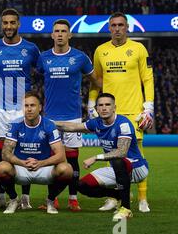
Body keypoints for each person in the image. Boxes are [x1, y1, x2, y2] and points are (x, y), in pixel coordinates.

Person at [88, 12, 154, 213]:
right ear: (109, 28)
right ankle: (113, 198)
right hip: (108, 114)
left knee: (137, 155)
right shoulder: (101, 51)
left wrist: (148, 106)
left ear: (127, 27)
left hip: (133, 111)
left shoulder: (138, 49)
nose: (117, 29)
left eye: (121, 25)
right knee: (111, 154)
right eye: (114, 25)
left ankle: (142, 198)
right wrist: (91, 103)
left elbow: (147, 79)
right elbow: (96, 81)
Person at [36, 19, 101, 211]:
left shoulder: (80, 58)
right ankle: (53, 199)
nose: (60, 34)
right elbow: (40, 76)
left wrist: (93, 102)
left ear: (69, 35)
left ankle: (73, 198)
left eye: (64, 31)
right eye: (57, 31)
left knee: (72, 159)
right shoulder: (44, 58)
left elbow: (95, 81)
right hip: (49, 118)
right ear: (52, 35)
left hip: (72, 117)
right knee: (53, 158)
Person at [55, 93, 149, 221]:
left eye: (107, 105)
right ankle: (118, 195)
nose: (104, 108)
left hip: (137, 167)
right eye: (101, 105)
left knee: (117, 160)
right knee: (81, 185)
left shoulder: (123, 124)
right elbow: (73, 127)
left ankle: (126, 209)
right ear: (97, 109)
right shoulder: (97, 123)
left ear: (114, 107)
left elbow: (121, 152)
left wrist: (95, 157)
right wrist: (48, 123)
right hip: (117, 168)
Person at [0, 8, 40, 210]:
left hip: (22, 107)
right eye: (5, 23)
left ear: (18, 24)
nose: (8, 26)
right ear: (2, 24)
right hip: (0, 107)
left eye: (12, 23)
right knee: (1, 153)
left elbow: (39, 69)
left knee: (24, 148)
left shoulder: (30, 48)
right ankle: (3, 196)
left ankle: (25, 197)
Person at [0, 91, 73, 214]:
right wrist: (22, 162)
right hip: (21, 167)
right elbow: (5, 153)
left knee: (67, 170)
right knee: (1, 168)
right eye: (26, 106)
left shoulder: (49, 125)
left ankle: (50, 200)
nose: (29, 109)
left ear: (40, 107)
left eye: (32, 105)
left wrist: (41, 163)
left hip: (43, 167)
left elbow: (61, 155)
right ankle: (14, 199)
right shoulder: (15, 124)